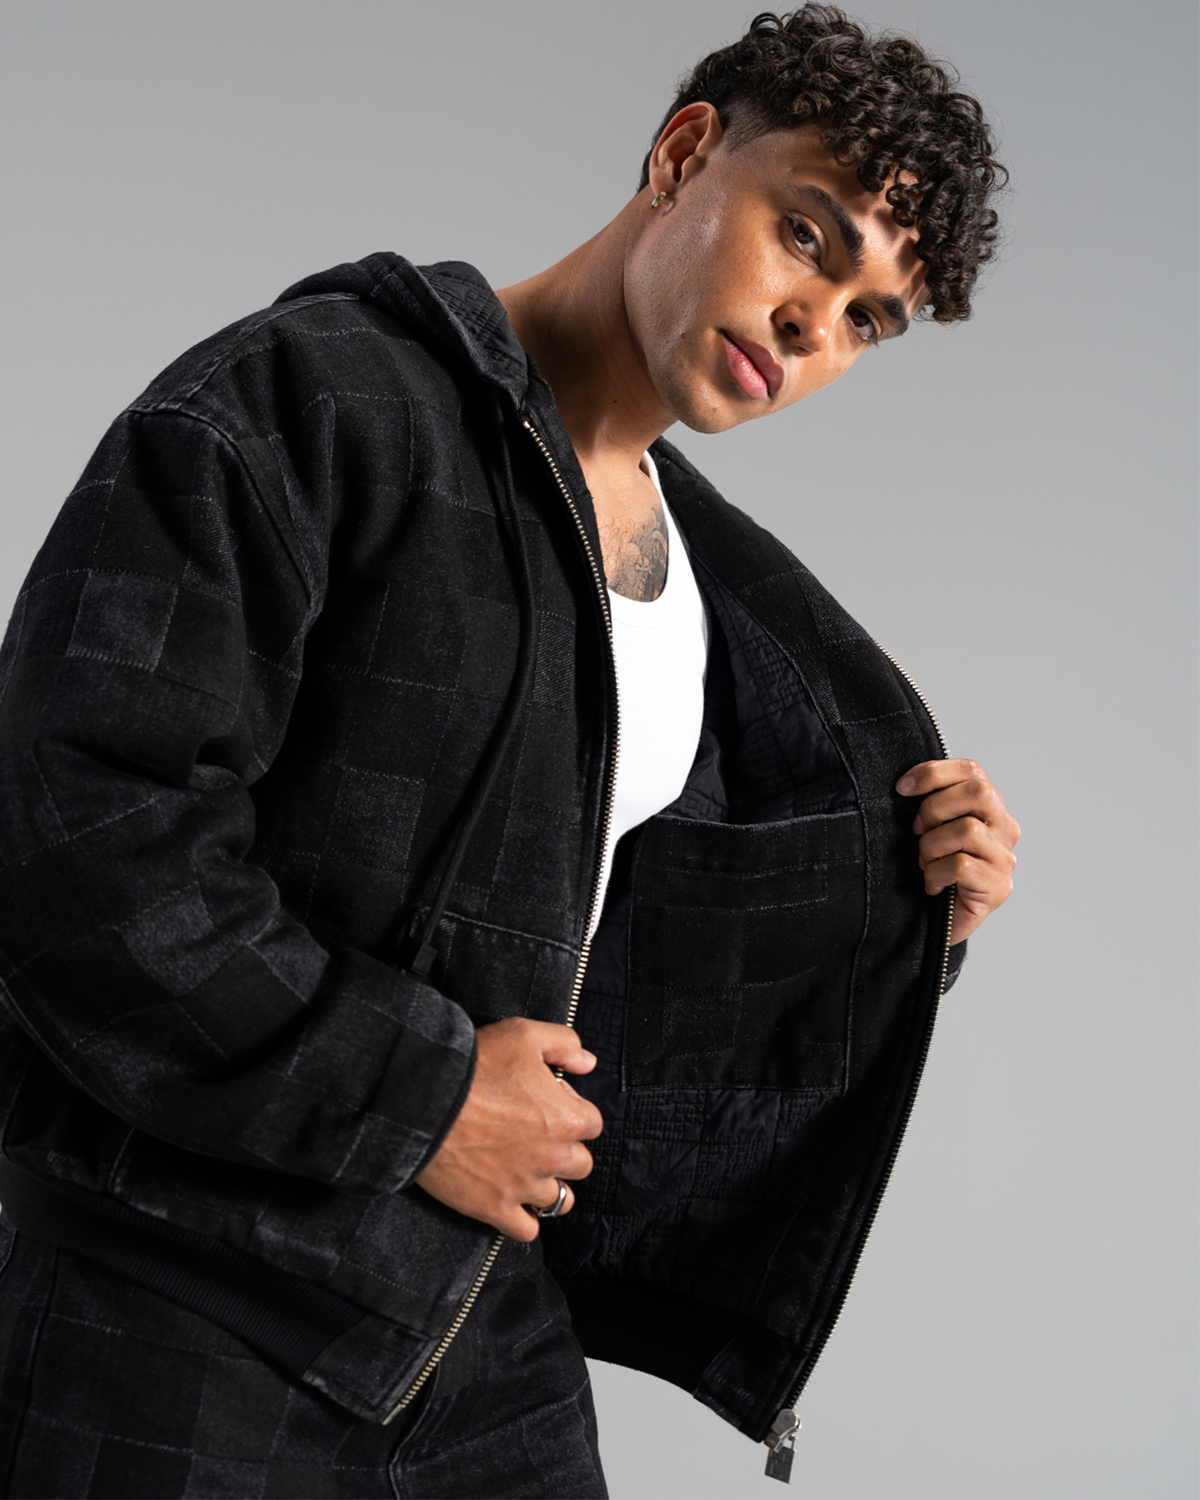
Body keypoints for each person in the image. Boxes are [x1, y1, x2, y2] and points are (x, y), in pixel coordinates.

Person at [0, 6, 1019, 1496]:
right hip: (175, 1296)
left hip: (471, 1329)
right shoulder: (315, 402)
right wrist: (418, 1096)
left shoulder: (716, 598)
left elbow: (618, 966)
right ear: (684, 154)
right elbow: (70, 827)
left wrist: (900, 904)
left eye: (870, 318)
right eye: (807, 236)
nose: (815, 325)